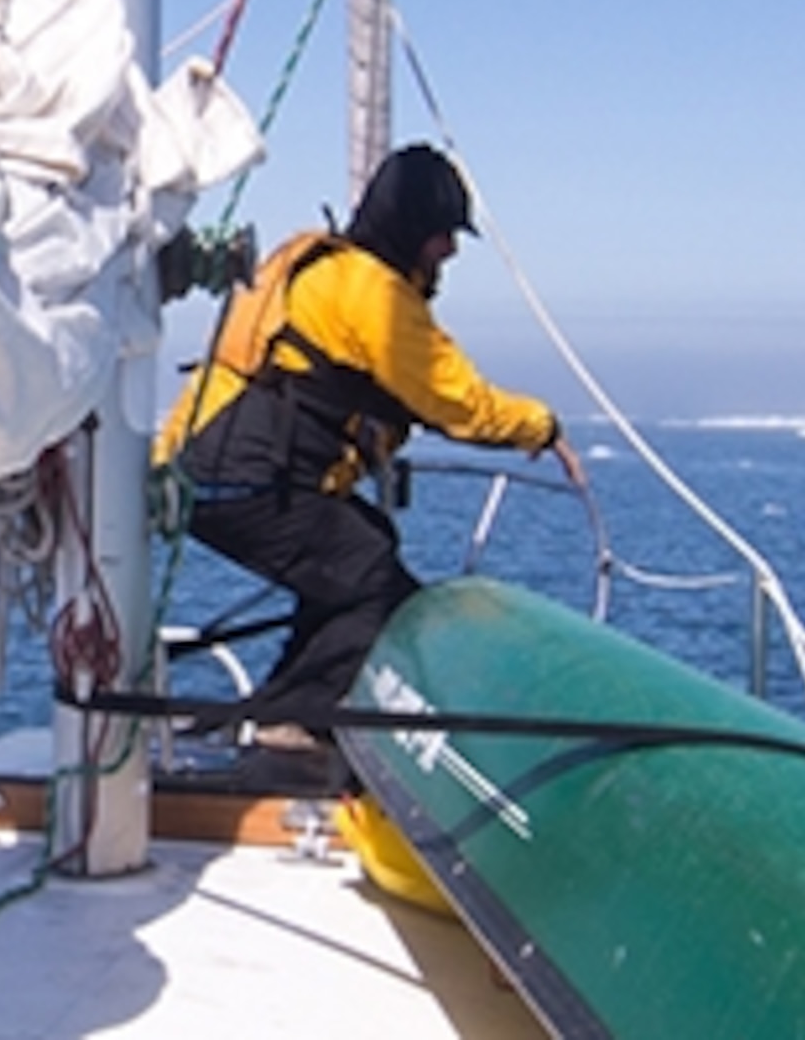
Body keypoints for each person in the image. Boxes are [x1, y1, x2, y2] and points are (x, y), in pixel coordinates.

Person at [156, 142, 576, 751]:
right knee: (372, 582)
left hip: (207, 468)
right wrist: (543, 427)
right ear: (413, 231)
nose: (450, 251)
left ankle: (279, 715)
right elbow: (456, 403)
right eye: (442, 235)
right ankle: (294, 724)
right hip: (251, 478)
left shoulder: (323, 268)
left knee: (358, 549)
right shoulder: (374, 295)